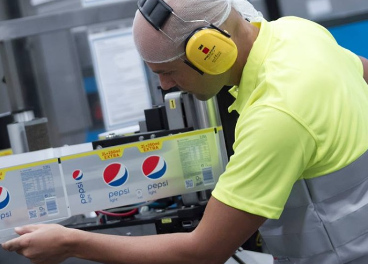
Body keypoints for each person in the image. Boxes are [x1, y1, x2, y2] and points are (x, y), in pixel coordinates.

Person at [2, 0, 368, 263]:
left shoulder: (275, 117)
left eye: (169, 71)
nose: (164, 87)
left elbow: (202, 252)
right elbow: (361, 70)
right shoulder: (297, 32)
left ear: (212, 52)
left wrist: (71, 243)